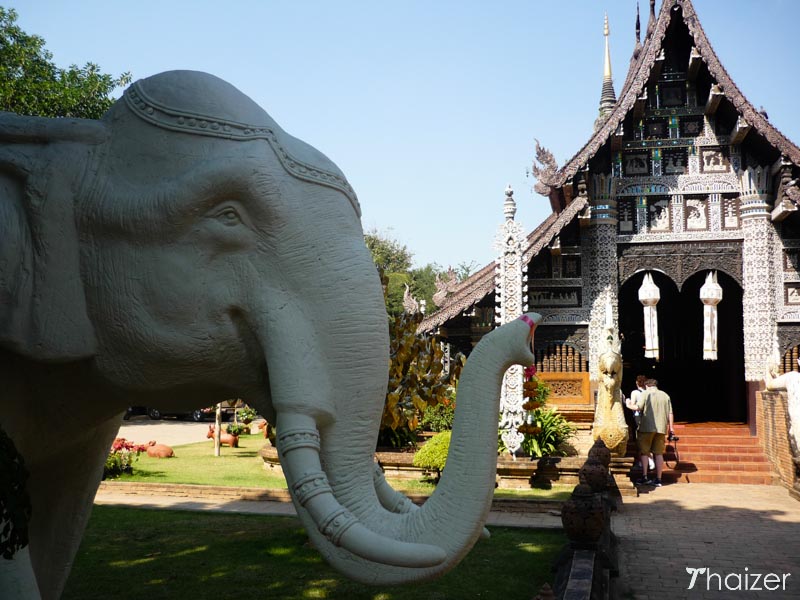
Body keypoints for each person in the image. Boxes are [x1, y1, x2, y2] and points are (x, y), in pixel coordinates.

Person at [634, 378, 674, 487]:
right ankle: (658, 479)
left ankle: (645, 476)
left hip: (646, 427)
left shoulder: (645, 394)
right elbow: (670, 413)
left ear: (647, 386)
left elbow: (638, 407)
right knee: (658, 453)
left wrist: (628, 403)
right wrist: (671, 428)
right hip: (661, 428)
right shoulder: (665, 395)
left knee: (644, 452)